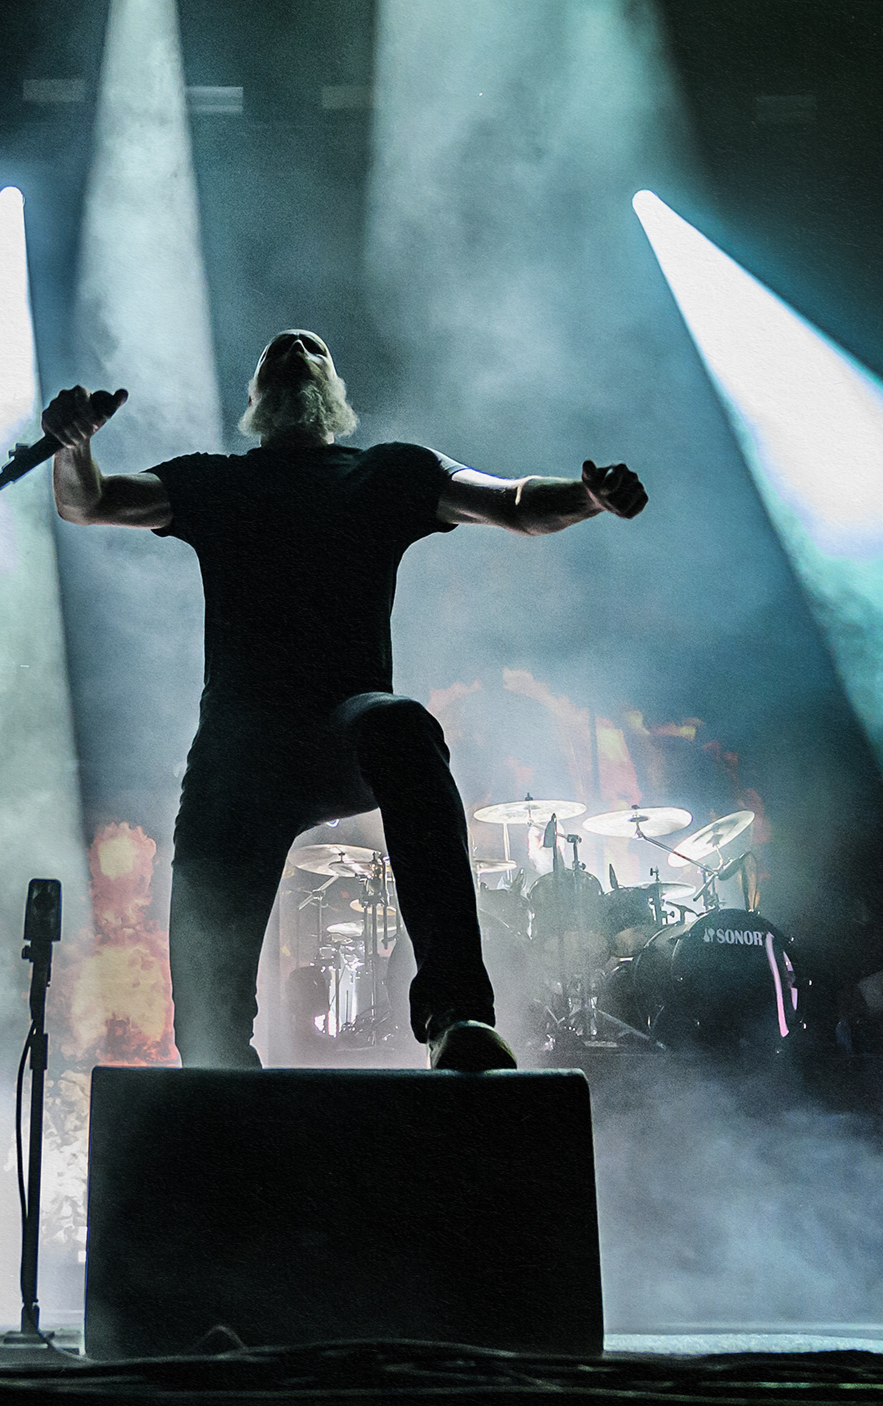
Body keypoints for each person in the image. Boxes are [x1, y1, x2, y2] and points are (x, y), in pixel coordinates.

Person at [46, 329, 647, 1071]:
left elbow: (516, 503)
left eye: (314, 348)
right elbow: (91, 502)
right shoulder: (214, 481)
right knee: (206, 1030)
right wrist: (73, 448)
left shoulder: (389, 473)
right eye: (276, 351)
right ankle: (222, 1078)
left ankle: (458, 1017)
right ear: (254, 398)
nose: (295, 348)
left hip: (345, 725)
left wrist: (588, 496)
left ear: (337, 391)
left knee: (401, 725)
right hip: (240, 750)